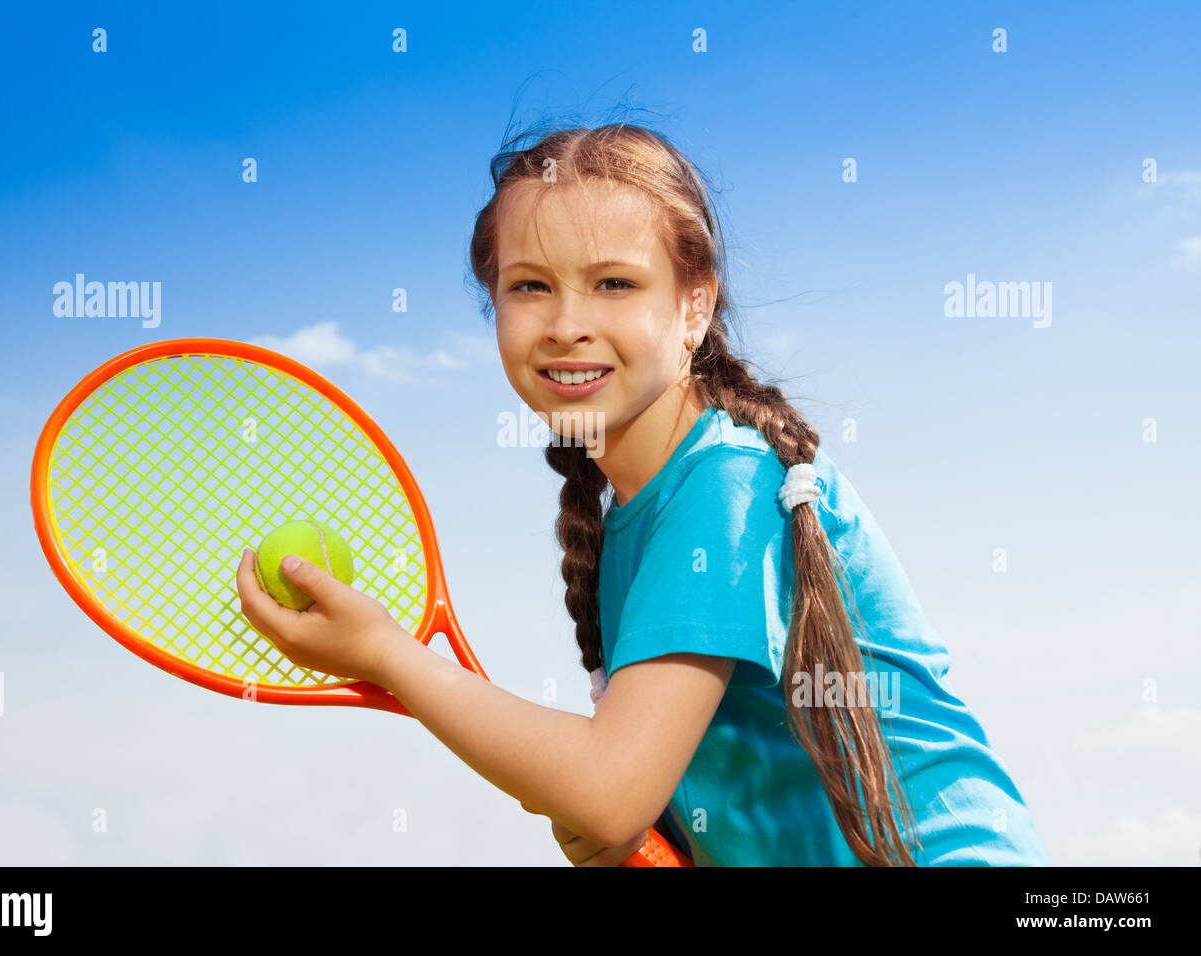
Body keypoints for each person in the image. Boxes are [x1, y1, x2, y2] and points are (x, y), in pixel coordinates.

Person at [237, 121, 1048, 867]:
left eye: (615, 284)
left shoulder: (724, 486)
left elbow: (608, 786)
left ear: (695, 305)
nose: (566, 324)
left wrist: (386, 656)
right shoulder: (638, 515)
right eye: (528, 287)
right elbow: (634, 796)